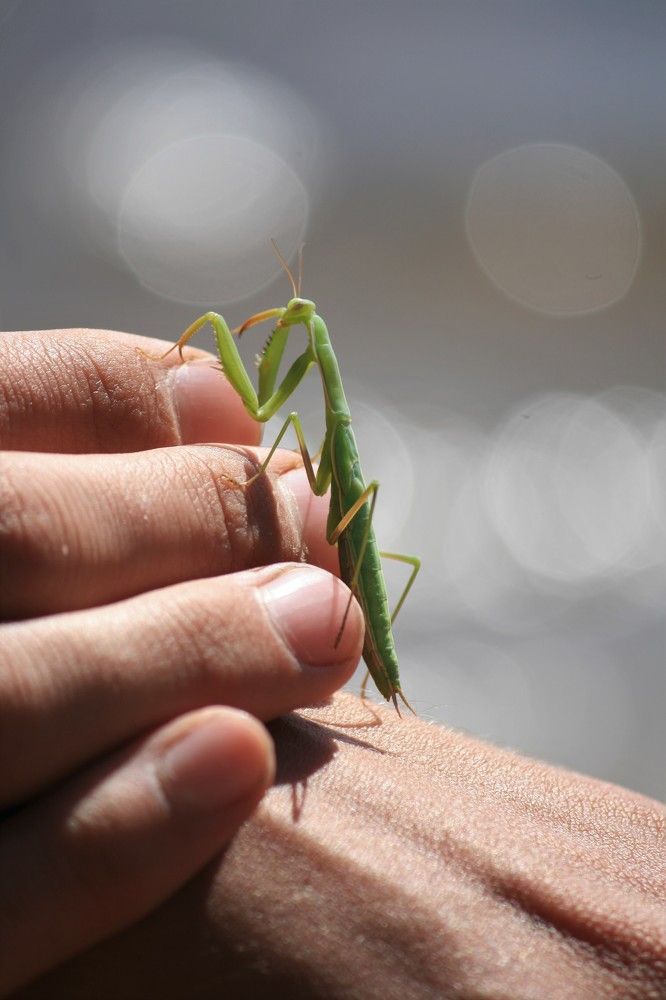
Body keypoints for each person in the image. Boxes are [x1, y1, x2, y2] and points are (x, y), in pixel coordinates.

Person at [1, 328, 664, 999]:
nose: (279, 325)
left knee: (309, 477)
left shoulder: (317, 419)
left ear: (310, 341)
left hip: (348, 581)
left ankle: (365, 662)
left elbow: (284, 427)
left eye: (293, 320)